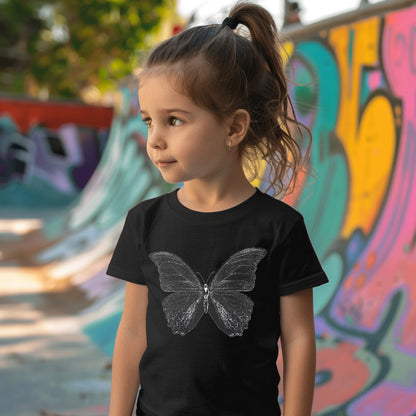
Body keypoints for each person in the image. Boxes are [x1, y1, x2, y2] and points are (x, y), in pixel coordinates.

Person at [106, 2, 328, 415]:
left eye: (173, 120)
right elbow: (133, 331)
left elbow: (298, 339)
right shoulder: (144, 222)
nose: (154, 139)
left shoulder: (279, 227)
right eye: (147, 121)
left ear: (233, 128)